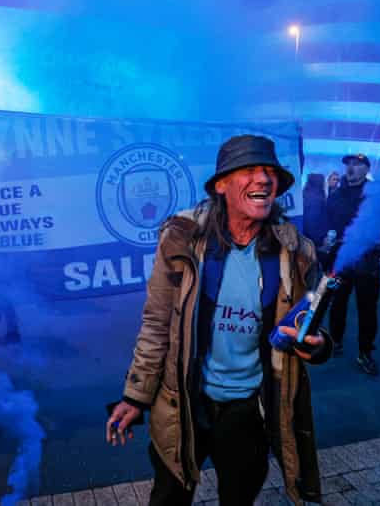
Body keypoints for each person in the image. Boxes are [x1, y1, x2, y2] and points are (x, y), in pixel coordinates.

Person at [105, 135, 331, 506]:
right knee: (168, 499)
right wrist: (135, 395)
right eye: (249, 170)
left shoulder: (296, 252)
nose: (262, 179)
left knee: (238, 499)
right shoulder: (181, 239)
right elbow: (156, 323)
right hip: (185, 404)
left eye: (269, 172)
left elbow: (315, 327)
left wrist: (317, 345)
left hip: (248, 411)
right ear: (221, 185)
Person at [323, 154, 380, 375]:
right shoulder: (337, 193)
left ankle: (365, 351)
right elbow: (329, 220)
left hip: (367, 259)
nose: (350, 168)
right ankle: (335, 341)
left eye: (356, 164)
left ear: (366, 169)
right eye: (348, 164)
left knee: (367, 308)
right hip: (341, 258)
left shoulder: (376, 194)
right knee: (337, 302)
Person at [302, 173, 328, 248]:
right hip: (314, 241)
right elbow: (312, 221)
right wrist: (320, 240)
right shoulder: (315, 198)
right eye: (323, 181)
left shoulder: (307, 194)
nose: (325, 183)